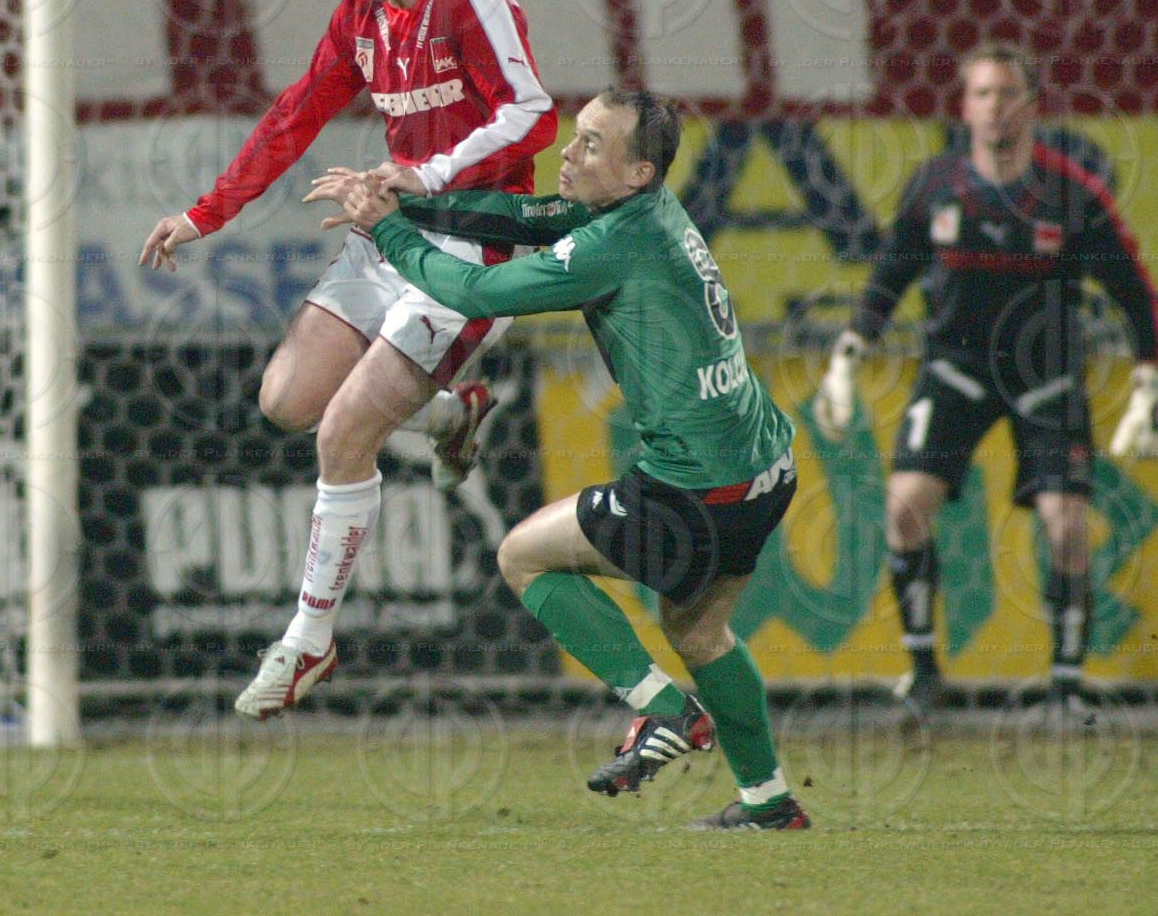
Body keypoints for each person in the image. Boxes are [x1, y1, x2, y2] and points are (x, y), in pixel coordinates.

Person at [306, 89, 810, 832]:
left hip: (695, 493)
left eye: (592, 146)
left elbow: (474, 288)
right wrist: (410, 195)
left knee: (524, 558)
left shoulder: (611, 245)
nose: (570, 155)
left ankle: (666, 710)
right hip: (765, 467)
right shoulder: (646, 212)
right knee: (700, 632)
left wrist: (387, 233)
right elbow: (522, 217)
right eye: (576, 138)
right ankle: (769, 803)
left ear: (638, 171)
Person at [138, 0, 557, 719]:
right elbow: (295, 116)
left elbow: (532, 114)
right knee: (286, 401)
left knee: (343, 433)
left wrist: (428, 174)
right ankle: (453, 413)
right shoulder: (362, 21)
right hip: (389, 234)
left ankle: (308, 642)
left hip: (470, 252)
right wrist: (202, 215)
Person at [814, 43, 1158, 714]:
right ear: (964, 107)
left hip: (1045, 375)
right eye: (982, 94)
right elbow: (892, 273)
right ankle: (924, 673)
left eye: (1007, 93)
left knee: (1066, 524)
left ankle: (1065, 686)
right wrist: (848, 354)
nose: (994, 108)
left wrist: (1150, 380)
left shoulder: (1071, 192)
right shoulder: (934, 186)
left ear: (1033, 106)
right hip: (955, 368)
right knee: (903, 506)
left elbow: (1132, 287)